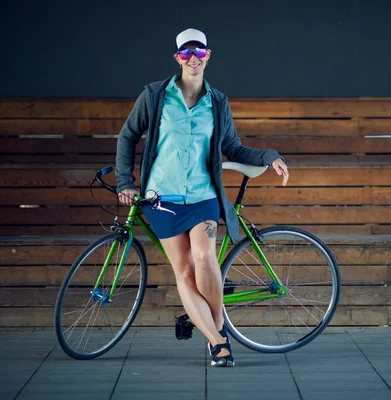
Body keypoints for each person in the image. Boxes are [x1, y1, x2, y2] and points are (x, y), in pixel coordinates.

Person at [115, 28, 289, 367]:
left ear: (208, 55)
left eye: (199, 51)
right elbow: (127, 136)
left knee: (206, 260)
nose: (192, 57)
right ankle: (218, 341)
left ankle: (216, 332)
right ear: (177, 58)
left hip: (203, 196)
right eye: (185, 52)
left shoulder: (218, 102)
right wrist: (125, 182)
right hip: (160, 198)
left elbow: (233, 147)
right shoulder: (154, 96)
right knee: (183, 270)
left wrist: (269, 155)